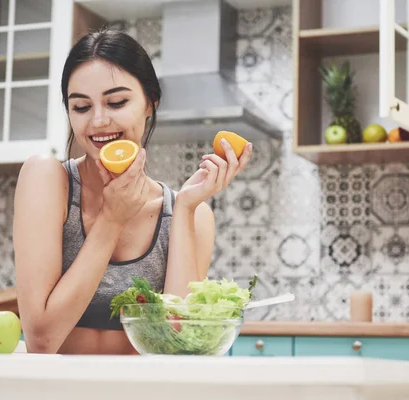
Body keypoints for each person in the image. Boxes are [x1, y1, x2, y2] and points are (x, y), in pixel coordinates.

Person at [13, 27, 252, 355]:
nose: (98, 121)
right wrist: (112, 219)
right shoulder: (46, 179)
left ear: (150, 104)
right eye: (81, 107)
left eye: (117, 102)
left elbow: (178, 345)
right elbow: (41, 340)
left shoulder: (189, 215)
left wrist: (183, 210)